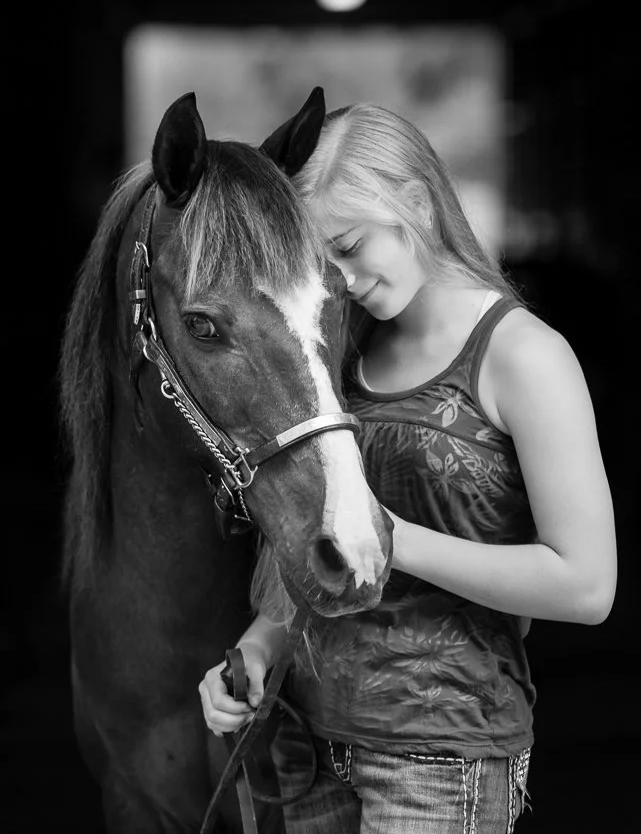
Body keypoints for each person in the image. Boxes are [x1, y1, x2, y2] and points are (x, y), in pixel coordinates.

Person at [199, 101, 617, 833]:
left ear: (415, 205)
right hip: (302, 737)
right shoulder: (337, 352)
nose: (343, 278)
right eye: (321, 262)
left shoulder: (523, 356)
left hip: (438, 754)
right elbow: (311, 547)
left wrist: (391, 536)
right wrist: (258, 645)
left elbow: (585, 586)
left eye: (351, 245)